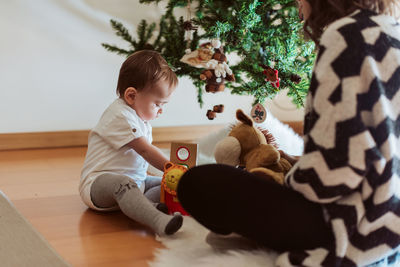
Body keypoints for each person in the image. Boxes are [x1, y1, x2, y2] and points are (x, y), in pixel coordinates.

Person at [177, 0, 400, 266]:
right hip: (391, 210)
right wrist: (298, 162)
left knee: (196, 183)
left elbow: (336, 173)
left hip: (354, 221)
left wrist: (287, 178)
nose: (297, 5)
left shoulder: (345, 35)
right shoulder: (392, 32)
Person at [79, 50, 183, 236]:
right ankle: (157, 219)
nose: (160, 111)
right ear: (131, 96)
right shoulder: (120, 116)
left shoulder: (142, 120)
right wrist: (172, 168)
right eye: (157, 104)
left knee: (165, 184)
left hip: (136, 183)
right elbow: (146, 151)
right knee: (125, 183)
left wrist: (173, 177)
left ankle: (144, 208)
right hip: (99, 185)